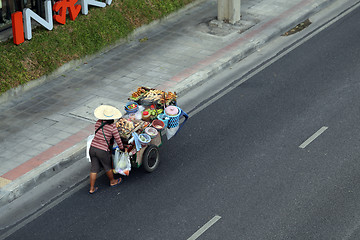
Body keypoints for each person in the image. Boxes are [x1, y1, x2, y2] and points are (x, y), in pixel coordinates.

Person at [89, 105, 124, 194]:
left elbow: (98, 133)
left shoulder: (98, 123)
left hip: (92, 148)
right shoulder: (112, 127)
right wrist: (122, 148)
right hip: (102, 150)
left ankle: (92, 188)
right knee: (107, 166)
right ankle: (112, 181)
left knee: (94, 168)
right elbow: (118, 139)